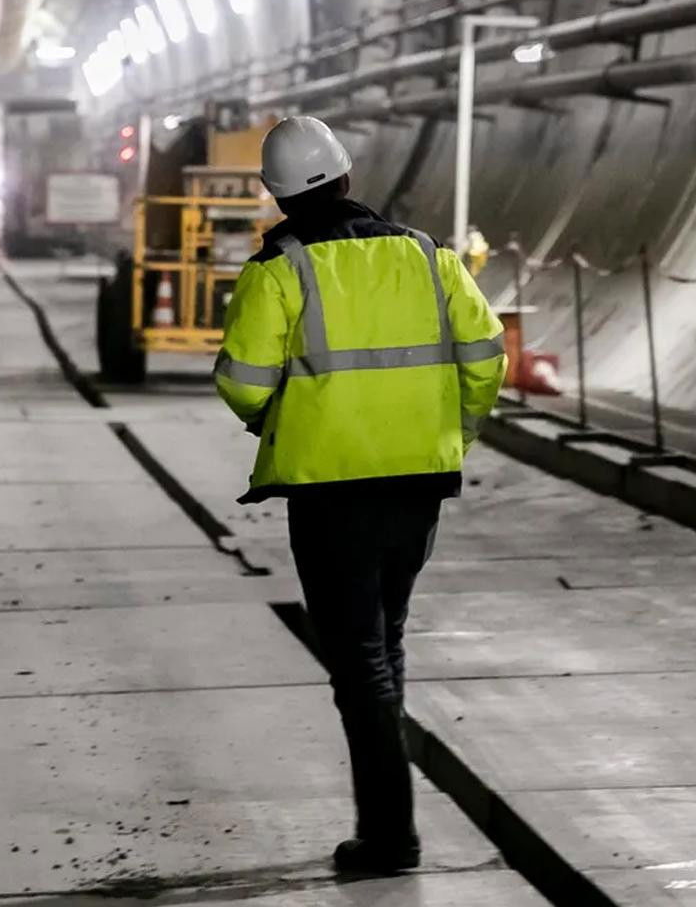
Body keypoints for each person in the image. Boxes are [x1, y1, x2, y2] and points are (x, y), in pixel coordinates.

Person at [213, 116, 506, 875]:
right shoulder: (427, 256)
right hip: (418, 485)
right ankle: (388, 828)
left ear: (278, 198)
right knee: (386, 643)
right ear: (346, 178)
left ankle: (390, 836)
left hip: (330, 493)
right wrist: (454, 431)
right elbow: (484, 355)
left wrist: (281, 422)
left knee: (361, 663)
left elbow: (242, 384)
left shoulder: (278, 270)